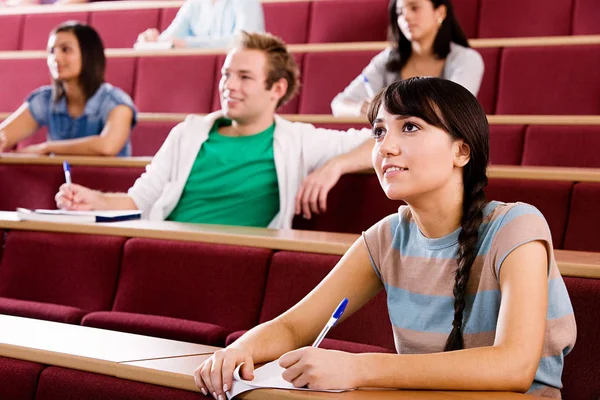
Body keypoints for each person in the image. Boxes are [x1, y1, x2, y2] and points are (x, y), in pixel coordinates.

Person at [194, 77, 576, 399]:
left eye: (409, 126)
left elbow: (513, 367)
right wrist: (241, 348)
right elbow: (295, 326)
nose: (385, 147)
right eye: (379, 131)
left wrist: (358, 367)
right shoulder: (386, 237)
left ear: (461, 151)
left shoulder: (517, 226)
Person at [54, 31, 373, 228]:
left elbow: (383, 139)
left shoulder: (299, 140)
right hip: (164, 247)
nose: (229, 86)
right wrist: (93, 199)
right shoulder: (188, 132)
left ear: (277, 88)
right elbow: (141, 200)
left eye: (244, 78)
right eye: (225, 75)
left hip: (238, 262)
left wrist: (336, 165)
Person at [0, 21, 136, 157]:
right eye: (52, 51)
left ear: (88, 55)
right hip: (59, 178)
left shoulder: (116, 101)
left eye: (65, 49)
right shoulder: (45, 99)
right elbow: (4, 135)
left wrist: (47, 147)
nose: (55, 58)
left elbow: (107, 146)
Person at [331, 0, 484, 118]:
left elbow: (455, 109)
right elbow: (338, 105)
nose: (406, 17)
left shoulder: (466, 59)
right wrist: (363, 108)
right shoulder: (388, 58)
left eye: (414, 8)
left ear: (440, 13)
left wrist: (389, 108)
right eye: (399, 13)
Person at [136, 0, 265, 49]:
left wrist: (187, 44)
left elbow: (244, 41)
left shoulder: (247, 2)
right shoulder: (194, 4)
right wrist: (152, 40)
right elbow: (170, 38)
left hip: (243, 71)